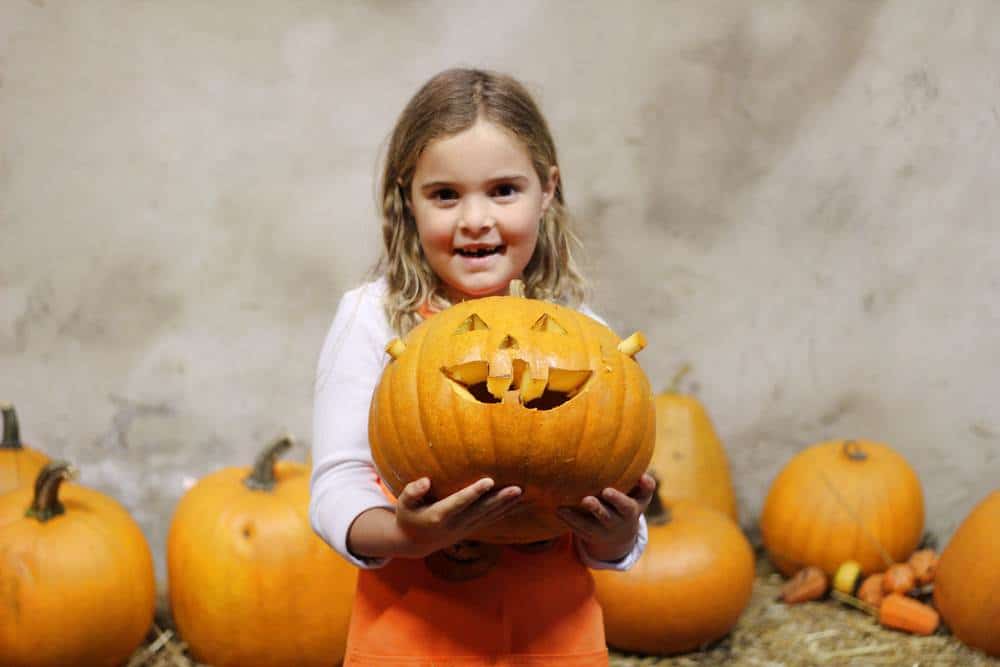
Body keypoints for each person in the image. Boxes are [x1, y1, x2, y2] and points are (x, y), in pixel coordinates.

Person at [310, 67, 655, 666]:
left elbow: (614, 528)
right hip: (415, 639)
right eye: (445, 194)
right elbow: (335, 488)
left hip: (555, 641)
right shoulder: (373, 318)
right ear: (407, 199)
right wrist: (408, 535)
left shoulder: (585, 335)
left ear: (547, 190)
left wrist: (618, 534)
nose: (475, 219)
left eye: (503, 190)